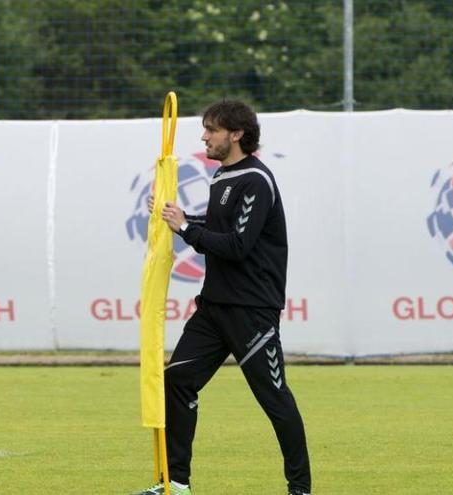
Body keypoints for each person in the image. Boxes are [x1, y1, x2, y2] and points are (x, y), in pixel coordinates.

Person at [133, 100, 312, 495]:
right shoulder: (222, 177)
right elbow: (216, 228)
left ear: (236, 134)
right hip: (214, 308)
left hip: (252, 313)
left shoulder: (256, 180)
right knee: (177, 380)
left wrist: (184, 229)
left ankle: (300, 489)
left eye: (211, 129)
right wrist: (177, 217)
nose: (204, 137)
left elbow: (237, 245)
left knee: (274, 397)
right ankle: (175, 483)